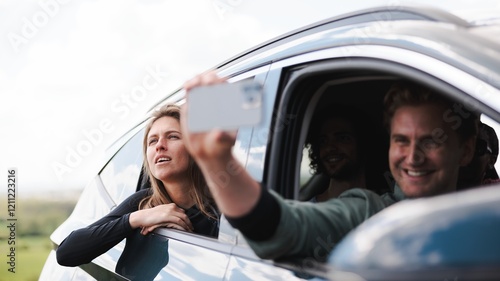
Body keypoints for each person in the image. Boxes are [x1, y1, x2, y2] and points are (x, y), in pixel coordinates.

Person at [180, 72, 476, 262]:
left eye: (430, 141)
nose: (412, 157)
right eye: (401, 140)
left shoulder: (486, 217)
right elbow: (280, 228)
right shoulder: (370, 214)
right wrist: (217, 160)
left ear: (466, 150)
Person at [56, 104, 219, 271]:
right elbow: (65, 253)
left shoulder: (222, 210)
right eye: (153, 140)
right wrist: (135, 219)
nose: (159, 146)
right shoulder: (142, 203)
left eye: (172, 137)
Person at [301, 105, 389, 202]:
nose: (329, 148)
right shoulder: (308, 213)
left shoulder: (385, 209)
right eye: (323, 141)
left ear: (364, 143)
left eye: (342, 138)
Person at [458, 122, 499, 189]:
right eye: (463, 145)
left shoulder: (495, 192)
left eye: (478, 147)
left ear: (491, 161)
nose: (467, 154)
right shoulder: (437, 185)